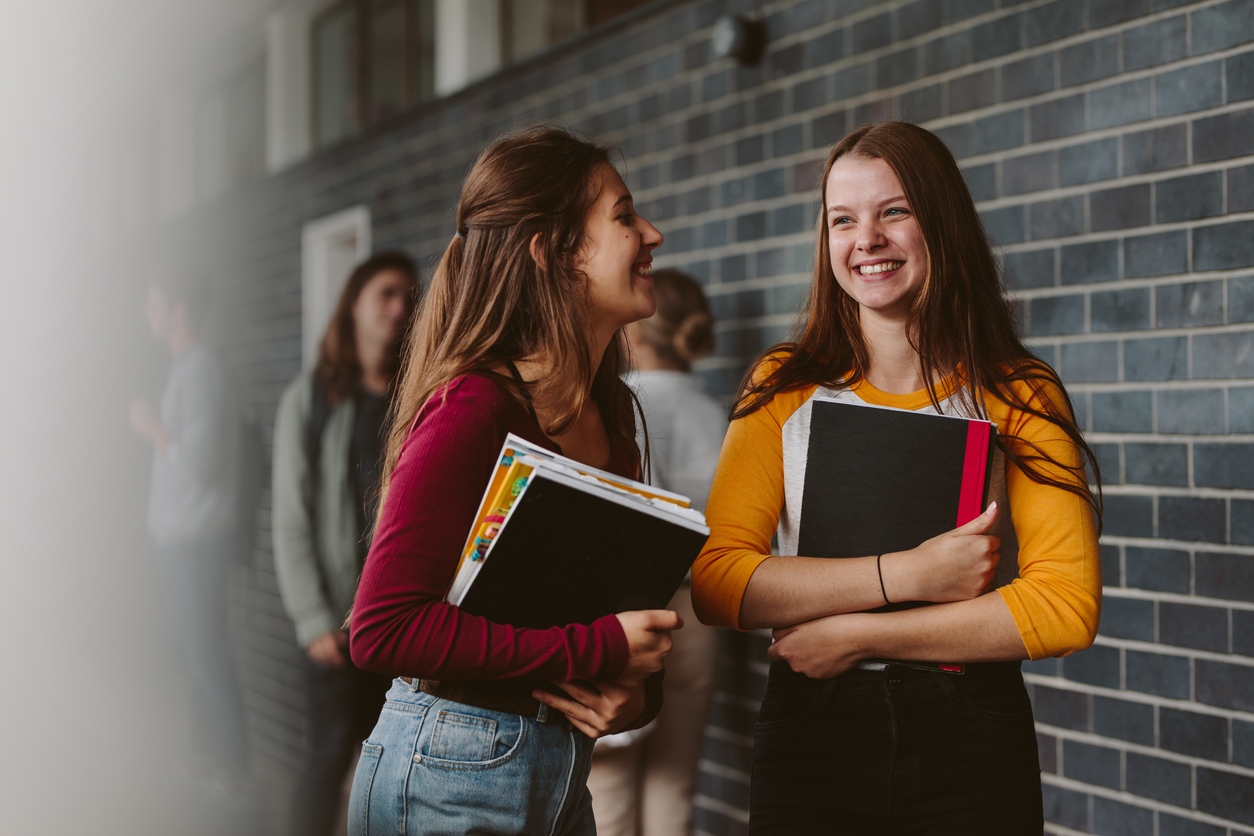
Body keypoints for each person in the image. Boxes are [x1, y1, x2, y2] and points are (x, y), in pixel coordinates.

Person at [691, 121, 1102, 834]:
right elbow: (721, 582)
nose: (866, 240)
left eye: (894, 211)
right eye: (842, 219)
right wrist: (908, 576)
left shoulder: (1019, 391)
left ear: (940, 222)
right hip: (813, 733)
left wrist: (858, 633)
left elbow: (1066, 606)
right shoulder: (784, 385)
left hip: (971, 730)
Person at [346, 125, 681, 836]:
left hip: (559, 773)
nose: (651, 233)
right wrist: (601, 651)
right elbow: (382, 628)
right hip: (447, 772)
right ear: (553, 252)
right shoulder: (474, 408)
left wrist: (635, 698)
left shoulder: (613, 416)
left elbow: (591, 620)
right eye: (623, 217)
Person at [271, 251, 417, 836]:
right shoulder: (311, 400)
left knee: (388, 772)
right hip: (335, 623)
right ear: (353, 303)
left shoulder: (418, 396)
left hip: (399, 621)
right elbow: (290, 515)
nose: (399, 307)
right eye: (385, 293)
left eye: (408, 296)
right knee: (328, 759)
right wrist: (311, 618)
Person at [587, 269, 725, 836]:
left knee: (609, 789)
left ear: (636, 332)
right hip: (705, 612)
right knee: (675, 782)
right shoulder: (719, 412)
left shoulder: (623, 405)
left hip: (640, 614)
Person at [129, 266, 249, 785]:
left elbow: (198, 461)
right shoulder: (189, 367)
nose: (147, 314)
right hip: (184, 538)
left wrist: (152, 427)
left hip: (197, 541)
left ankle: (230, 769)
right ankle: (209, 760)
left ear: (180, 310)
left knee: (206, 654)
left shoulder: (200, 370)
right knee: (195, 652)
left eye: (155, 303)